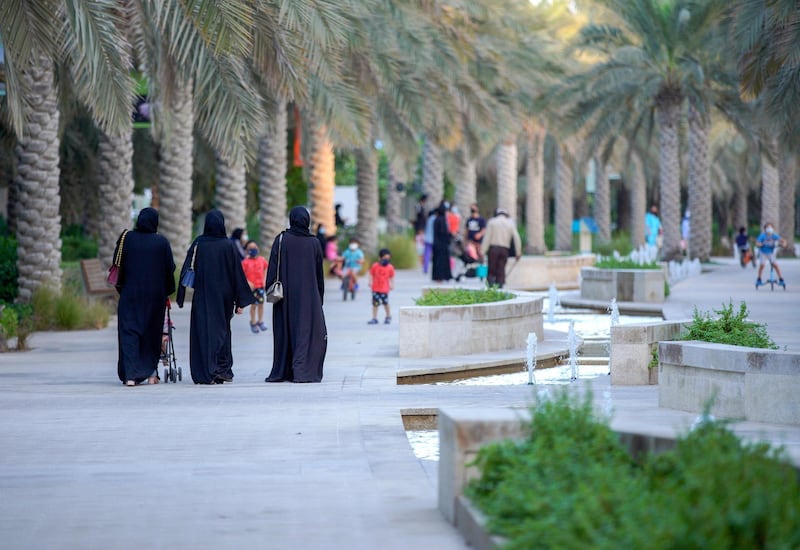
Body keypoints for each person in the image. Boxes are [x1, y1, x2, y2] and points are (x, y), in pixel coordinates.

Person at [177, 210, 255, 384]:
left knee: (203, 332)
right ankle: (222, 369)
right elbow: (236, 273)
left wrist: (181, 295)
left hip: (203, 296)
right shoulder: (227, 245)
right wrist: (240, 301)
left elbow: (186, 268)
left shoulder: (199, 243)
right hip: (223, 298)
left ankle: (206, 371)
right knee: (222, 331)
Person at [265, 206, 328, 383]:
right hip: (309, 297)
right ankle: (302, 371)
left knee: (286, 330)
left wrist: (269, 289)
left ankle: (284, 370)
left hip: (285, 297)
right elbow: (318, 274)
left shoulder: (281, 240)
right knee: (306, 331)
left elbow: (272, 270)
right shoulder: (314, 243)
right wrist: (319, 297)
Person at [115, 207, 176, 386]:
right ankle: (150, 373)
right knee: (151, 333)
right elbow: (169, 269)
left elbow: (118, 264)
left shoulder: (127, 238)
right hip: (154, 297)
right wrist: (166, 290)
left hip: (130, 294)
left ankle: (131, 376)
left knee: (129, 333)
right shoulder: (161, 242)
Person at [481, 208, 522, 288]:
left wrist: (482, 251)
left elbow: (487, 238)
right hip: (504, 250)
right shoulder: (510, 223)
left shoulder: (492, 222)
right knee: (501, 269)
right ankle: (500, 286)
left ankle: (491, 286)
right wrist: (518, 252)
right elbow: (517, 238)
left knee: (491, 269)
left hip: (493, 249)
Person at [242, 239, 269, 334]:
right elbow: (242, 275)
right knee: (253, 306)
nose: (253, 249)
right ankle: (253, 322)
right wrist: (248, 282)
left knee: (261, 304)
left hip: (260, 286)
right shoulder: (245, 262)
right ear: (247, 250)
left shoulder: (262, 260)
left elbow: (266, 268)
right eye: (250, 248)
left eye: (255, 247)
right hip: (251, 288)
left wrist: (265, 280)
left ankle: (260, 321)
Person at [368, 248, 396, 325]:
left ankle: (388, 316)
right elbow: (371, 274)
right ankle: (374, 318)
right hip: (375, 289)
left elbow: (392, 276)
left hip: (384, 289)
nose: (386, 260)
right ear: (380, 258)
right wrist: (370, 282)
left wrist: (392, 284)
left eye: (388, 258)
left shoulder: (390, 267)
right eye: (385, 258)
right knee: (375, 303)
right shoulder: (375, 266)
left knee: (385, 303)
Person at [755, 222, 787, 286]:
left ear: (772, 229)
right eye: (767, 227)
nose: (769, 229)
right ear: (765, 229)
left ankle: (781, 279)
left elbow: (783, 240)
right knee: (762, 265)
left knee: (775, 265)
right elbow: (757, 243)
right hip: (763, 252)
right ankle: (759, 278)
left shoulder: (774, 235)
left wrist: (784, 244)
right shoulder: (763, 236)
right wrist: (760, 244)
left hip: (771, 252)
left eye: (770, 227)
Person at [431, 204, 453, 282]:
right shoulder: (442, 220)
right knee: (442, 261)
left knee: (437, 261)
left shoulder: (436, 219)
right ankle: (442, 276)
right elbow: (443, 232)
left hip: (436, 244)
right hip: (442, 245)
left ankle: (437, 276)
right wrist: (449, 237)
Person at [413, 194, 428, 267]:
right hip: (419, 226)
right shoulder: (418, 206)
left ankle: (421, 261)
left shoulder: (422, 206)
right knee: (418, 245)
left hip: (421, 227)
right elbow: (415, 217)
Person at [423, 209, 436, 274]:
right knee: (435, 255)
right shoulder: (434, 219)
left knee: (426, 254)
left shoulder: (428, 219)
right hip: (433, 239)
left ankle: (425, 269)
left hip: (427, 239)